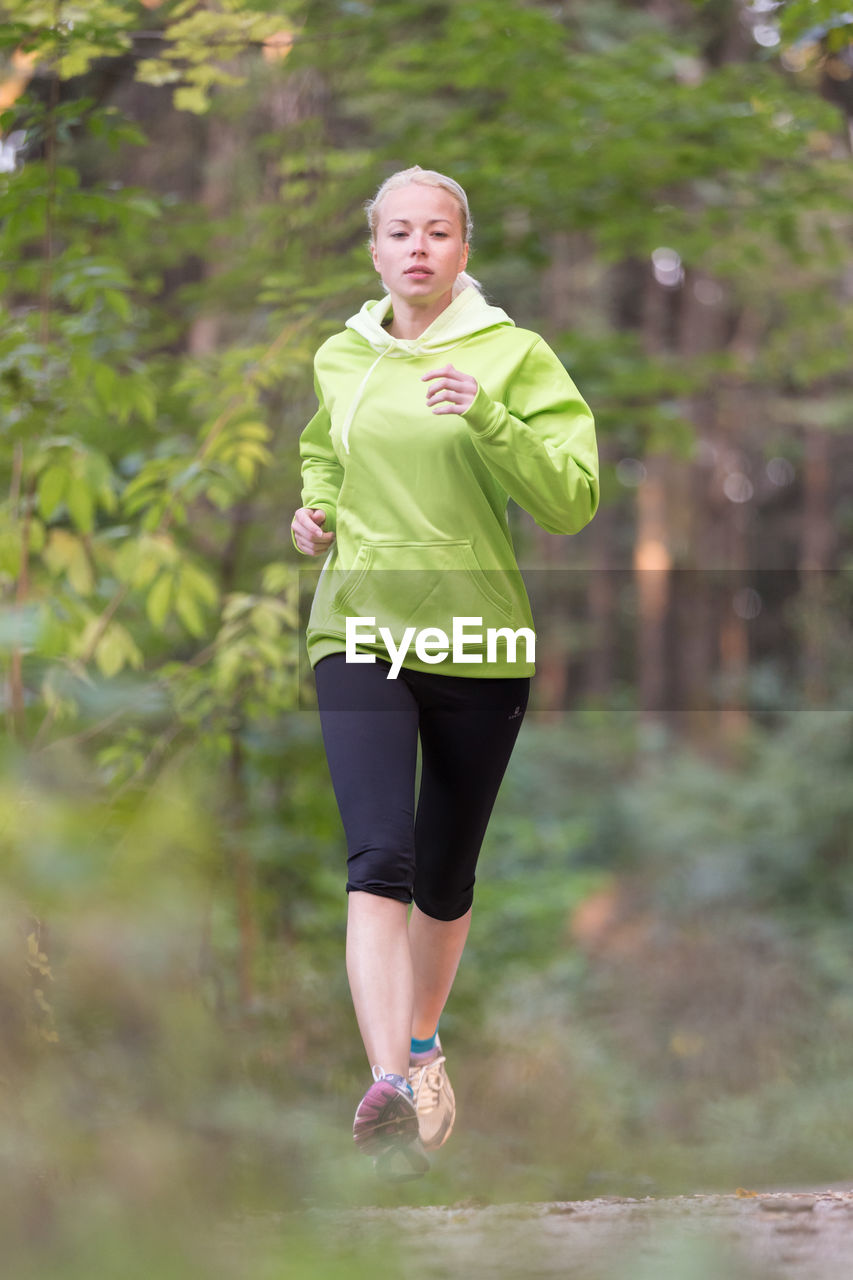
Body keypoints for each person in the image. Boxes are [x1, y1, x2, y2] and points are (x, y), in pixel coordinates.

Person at [291, 166, 598, 1178]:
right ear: (373, 249)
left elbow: (573, 497)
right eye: (398, 231)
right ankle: (385, 1079)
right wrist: (314, 510)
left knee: (443, 870)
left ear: (464, 250)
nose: (417, 247)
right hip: (361, 627)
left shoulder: (514, 354)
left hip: (478, 638)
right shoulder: (343, 354)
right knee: (376, 856)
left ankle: (422, 1043)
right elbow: (323, 459)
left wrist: (490, 417)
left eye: (437, 231)